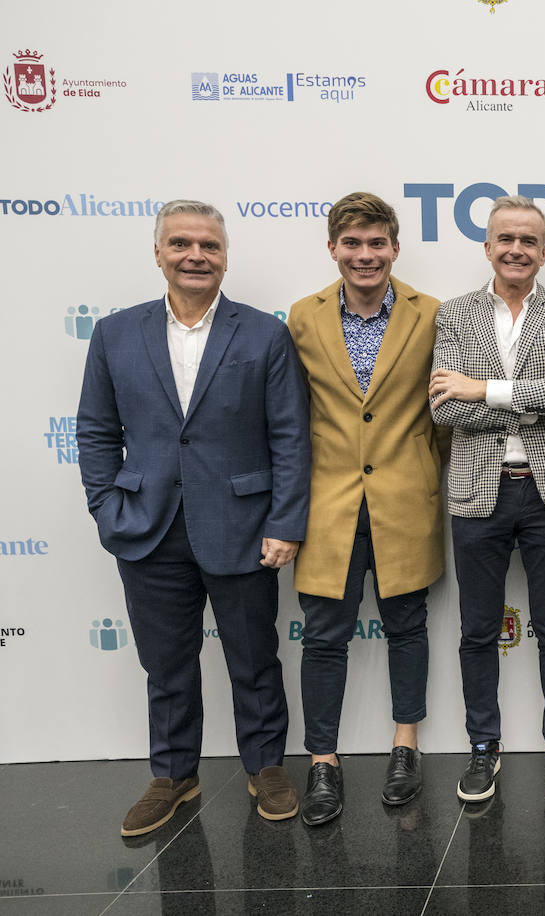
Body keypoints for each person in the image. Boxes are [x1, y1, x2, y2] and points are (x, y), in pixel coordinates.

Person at [76, 200, 311, 835]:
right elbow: (96, 431)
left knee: (254, 659)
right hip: (147, 528)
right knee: (167, 663)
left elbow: (290, 436)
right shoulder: (115, 333)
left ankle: (266, 767)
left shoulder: (264, 332)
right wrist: (106, 507)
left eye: (208, 245)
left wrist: (286, 522)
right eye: (180, 243)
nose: (195, 255)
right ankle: (174, 775)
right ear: (158, 254)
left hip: (242, 526)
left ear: (225, 257)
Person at [287, 192, 446, 826]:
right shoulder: (302, 318)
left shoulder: (429, 314)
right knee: (324, 636)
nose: (365, 255)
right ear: (333, 249)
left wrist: (427, 478)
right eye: (352, 244)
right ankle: (322, 761)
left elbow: (443, 419)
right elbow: (290, 420)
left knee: (407, 626)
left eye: (377, 243)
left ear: (395, 249)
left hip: (406, 500)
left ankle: (405, 748)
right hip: (327, 504)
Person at [429, 195, 545, 802]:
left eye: (529, 240)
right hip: (478, 493)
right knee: (477, 630)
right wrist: (533, 394)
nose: (517, 249)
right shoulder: (455, 315)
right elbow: (443, 406)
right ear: (488, 245)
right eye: (506, 239)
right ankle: (482, 747)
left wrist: (484, 390)